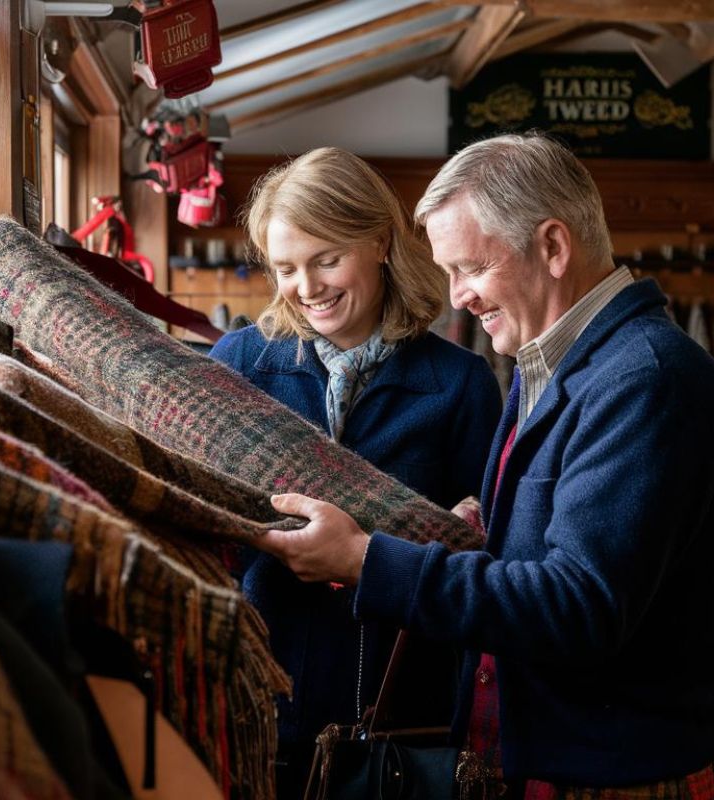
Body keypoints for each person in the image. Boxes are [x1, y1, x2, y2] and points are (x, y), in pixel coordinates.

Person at [257, 134, 714, 798]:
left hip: (624, 778)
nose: (458, 296)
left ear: (552, 247)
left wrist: (364, 560)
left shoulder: (648, 382)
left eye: (470, 267)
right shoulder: (552, 367)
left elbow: (576, 606)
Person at [209, 147, 503, 798]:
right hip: (256, 707)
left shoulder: (460, 385)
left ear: (378, 242)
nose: (307, 287)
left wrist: (456, 530)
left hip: (398, 726)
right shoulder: (238, 365)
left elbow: (487, 562)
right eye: (286, 268)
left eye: (326, 259)